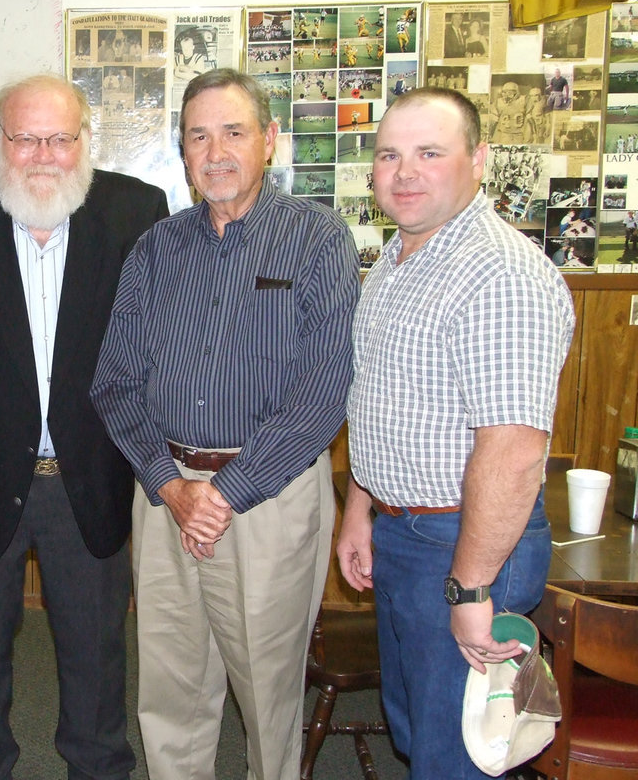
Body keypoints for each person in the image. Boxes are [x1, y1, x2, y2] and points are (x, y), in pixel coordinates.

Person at [90, 69, 360, 780]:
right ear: (182, 152)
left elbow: (323, 391)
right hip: (166, 497)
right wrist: (170, 486)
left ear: (268, 141)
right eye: (198, 137)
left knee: (269, 692)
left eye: (233, 132)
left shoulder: (317, 242)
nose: (216, 153)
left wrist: (227, 492)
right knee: (171, 688)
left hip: (269, 500)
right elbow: (115, 383)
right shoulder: (154, 251)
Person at [0, 74, 167, 780]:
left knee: (97, 669)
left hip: (90, 479)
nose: (43, 155)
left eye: (60, 138)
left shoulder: (136, 211)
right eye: (26, 137)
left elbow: (156, 346)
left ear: (83, 142)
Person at [336, 87, 575, 780]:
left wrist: (471, 592)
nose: (404, 172)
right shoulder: (397, 261)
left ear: (479, 160)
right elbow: (380, 402)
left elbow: (513, 453)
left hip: (464, 544)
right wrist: (361, 509)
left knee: (459, 756)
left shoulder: (499, 274)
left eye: (429, 153)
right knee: (421, 735)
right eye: (389, 155)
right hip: (404, 534)